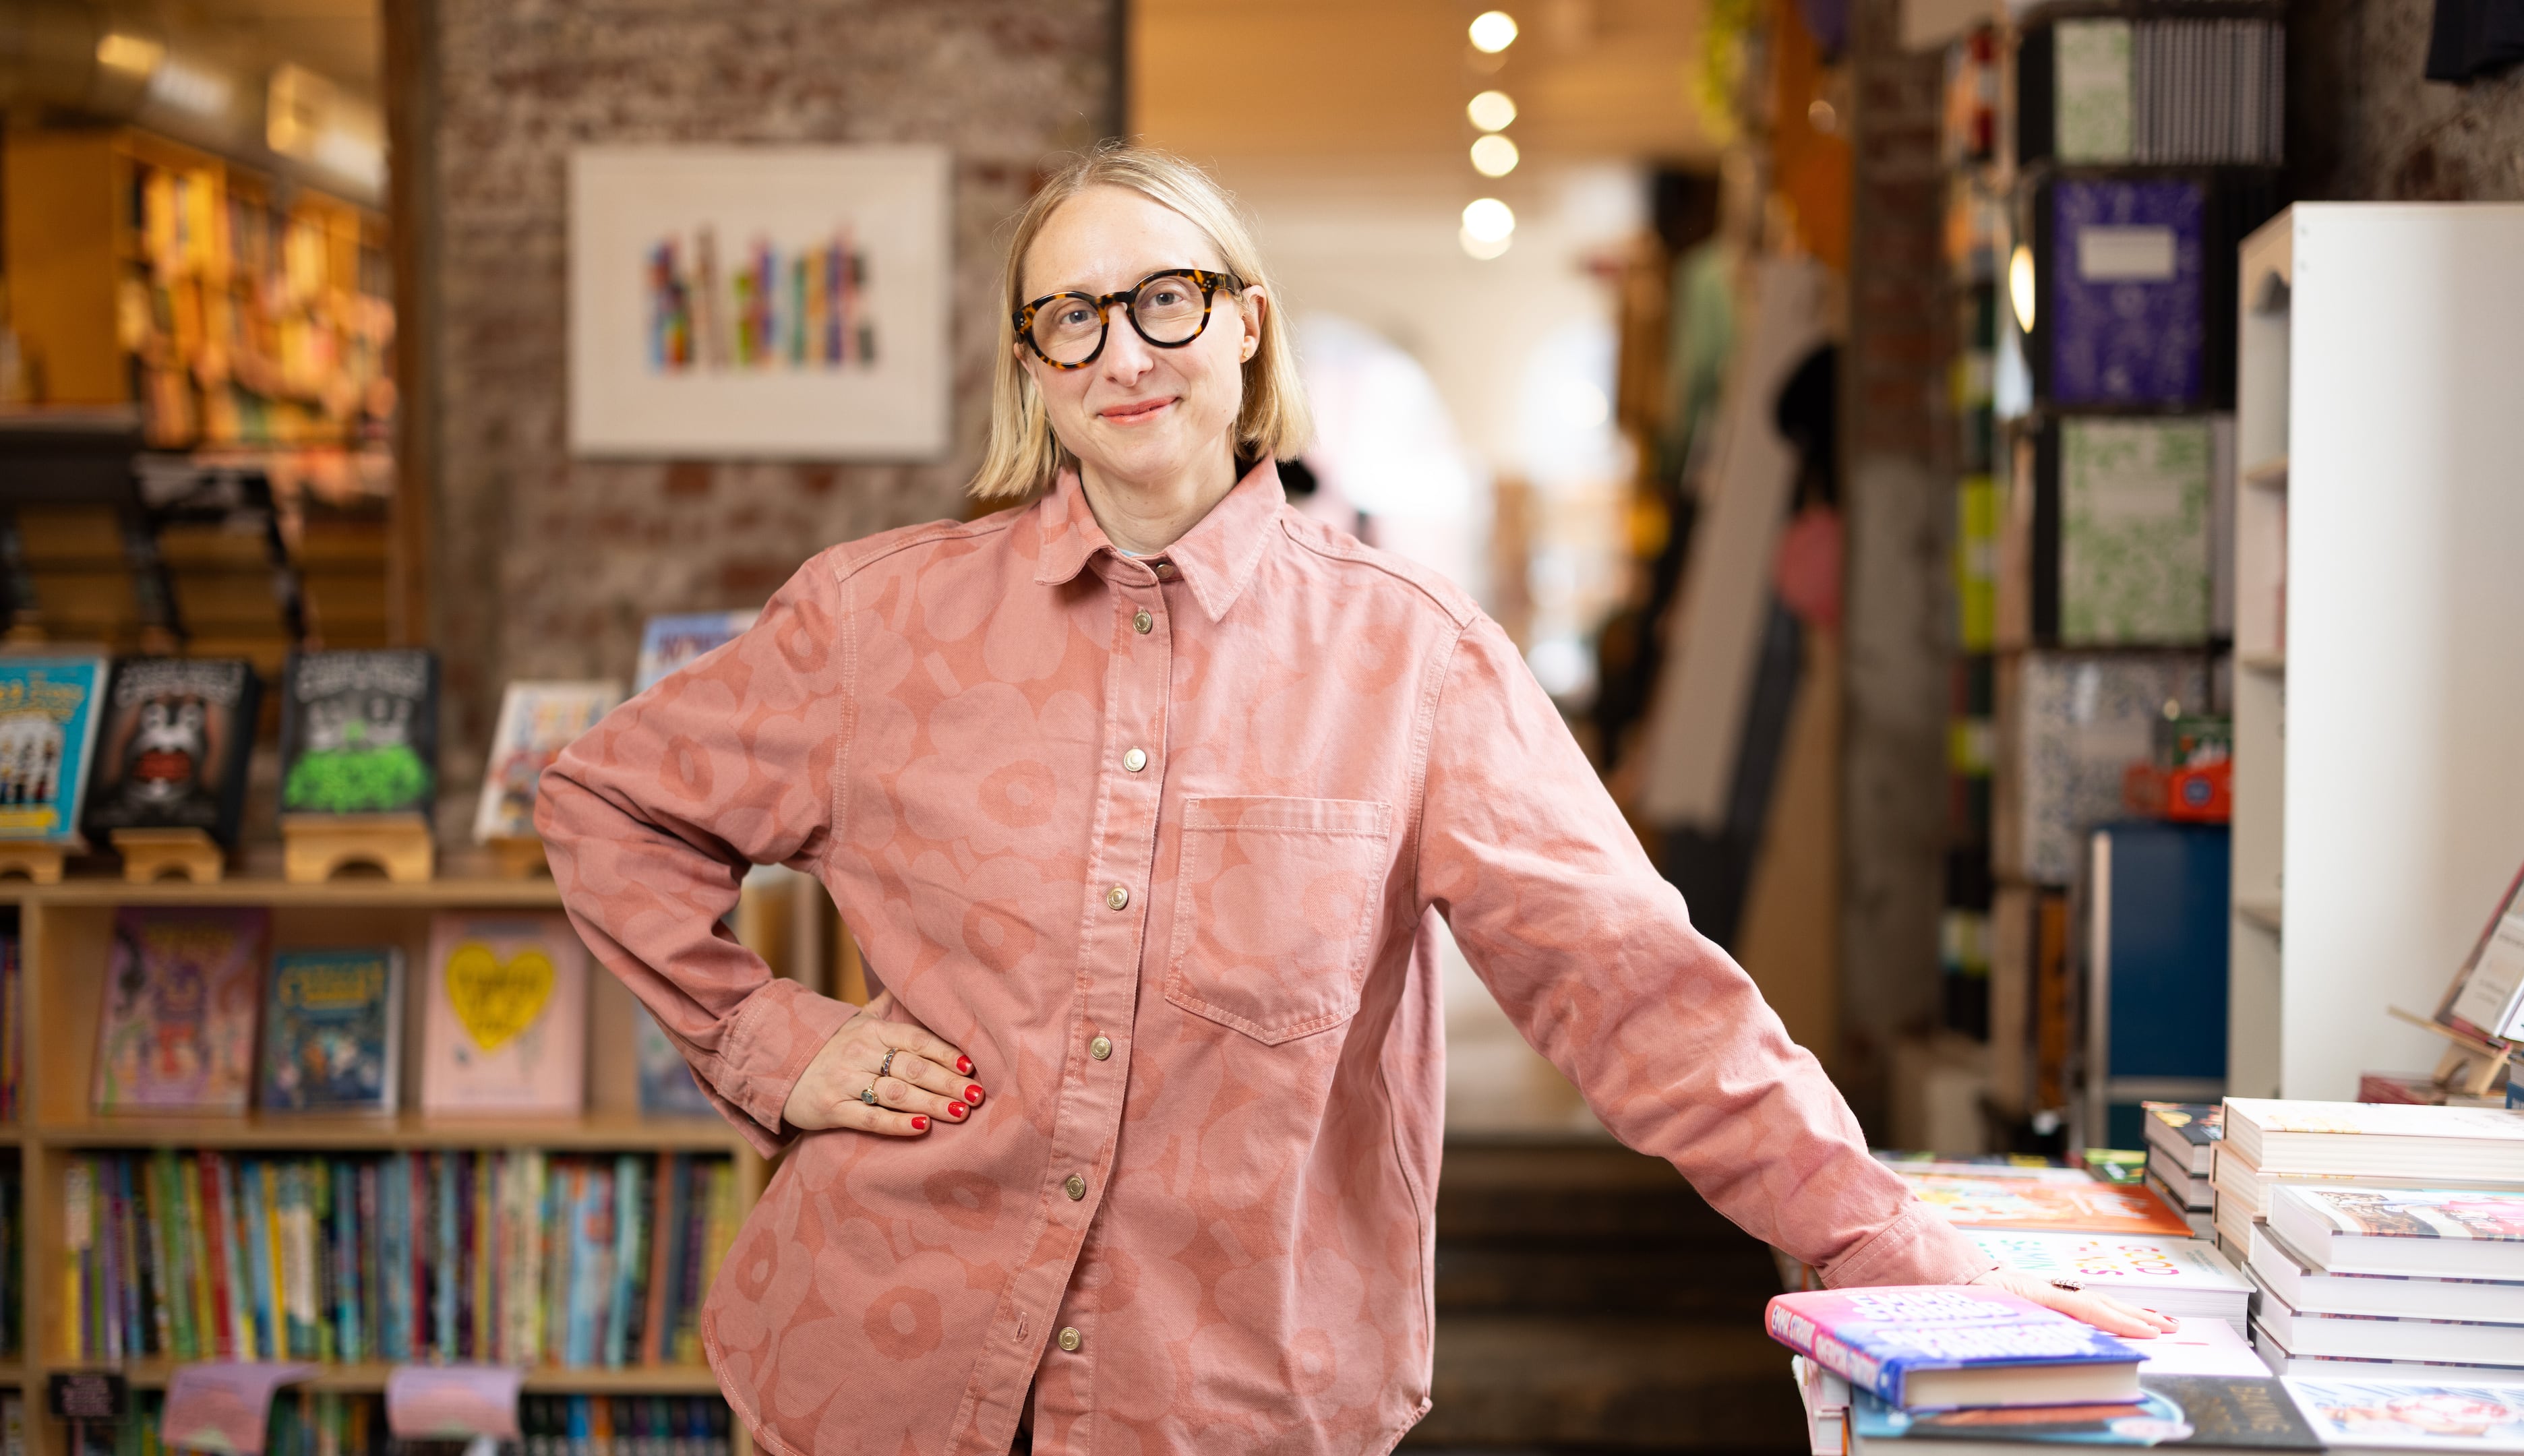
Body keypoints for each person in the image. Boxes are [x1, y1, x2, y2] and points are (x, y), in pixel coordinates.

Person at [535, 146, 2169, 1456]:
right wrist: (775, 1039)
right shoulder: (875, 622)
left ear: (1246, 323)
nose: (1124, 351)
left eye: (1164, 299)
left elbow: (1633, 990)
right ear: (1033, 365)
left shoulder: (1413, 658)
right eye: (1072, 317)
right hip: (866, 1376)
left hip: (1234, 1403)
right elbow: (606, 803)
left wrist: (1880, 1242)